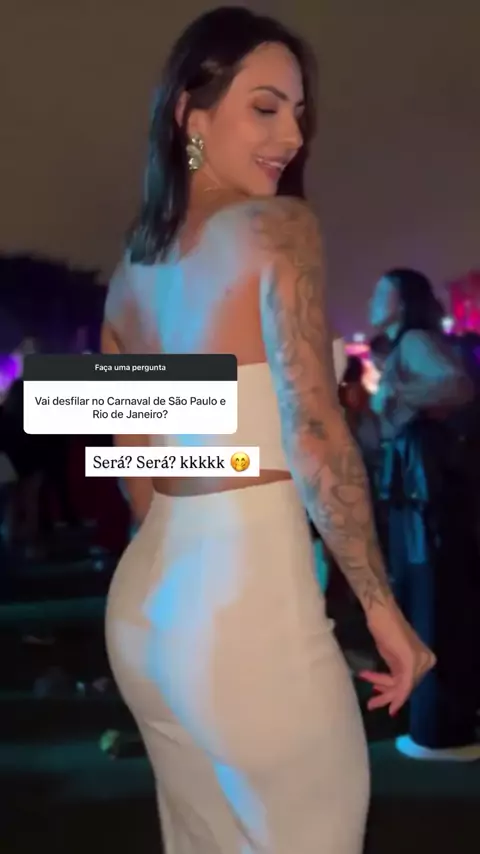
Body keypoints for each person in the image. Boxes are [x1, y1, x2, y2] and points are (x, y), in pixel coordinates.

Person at [102, 9, 434, 853]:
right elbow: (313, 428)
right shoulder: (279, 226)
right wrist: (382, 609)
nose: (291, 136)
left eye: (298, 112)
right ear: (190, 114)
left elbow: (134, 471)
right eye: (264, 107)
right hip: (246, 615)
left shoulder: (128, 276)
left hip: (146, 619)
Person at [369, 268, 480, 761]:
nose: (373, 301)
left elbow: (456, 386)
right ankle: (441, 724)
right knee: (433, 597)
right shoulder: (407, 344)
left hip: (424, 492)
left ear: (403, 299)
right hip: (422, 490)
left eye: (381, 292)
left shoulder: (414, 341)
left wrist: (398, 396)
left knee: (433, 598)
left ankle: (442, 731)